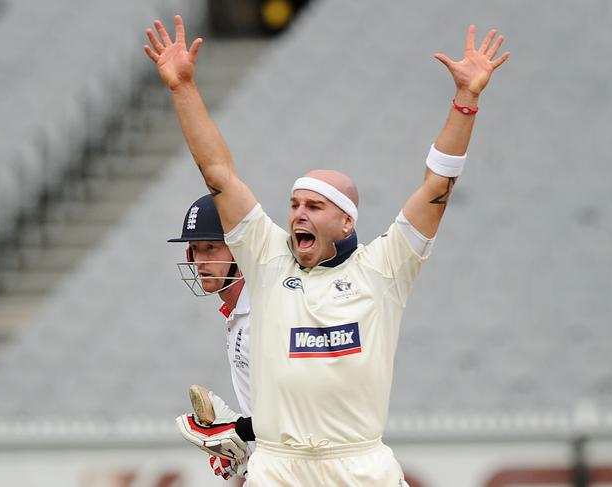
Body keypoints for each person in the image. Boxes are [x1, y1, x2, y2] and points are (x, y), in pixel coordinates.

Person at [146, 15, 509, 486]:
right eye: (294, 204)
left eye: (314, 206)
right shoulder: (268, 257)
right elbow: (218, 173)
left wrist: (466, 101)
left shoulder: (384, 267)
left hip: (360, 467)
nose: (298, 214)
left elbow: (437, 187)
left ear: (345, 221)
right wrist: (183, 88)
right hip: (279, 467)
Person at [168, 193, 252, 480]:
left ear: (239, 249)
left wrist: (236, 431)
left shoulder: (264, 313)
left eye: (212, 248)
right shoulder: (238, 311)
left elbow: (300, 409)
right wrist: (243, 448)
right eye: (195, 249)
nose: (201, 261)